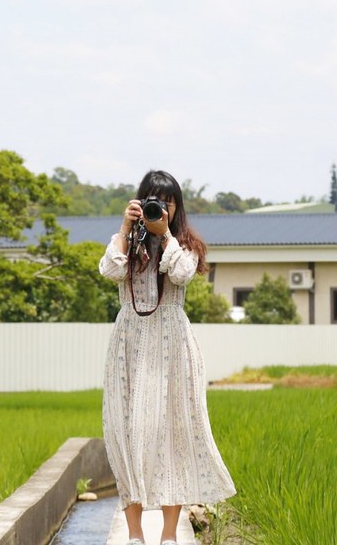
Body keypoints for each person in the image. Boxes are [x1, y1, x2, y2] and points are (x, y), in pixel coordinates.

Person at [99, 169, 236, 545]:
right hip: (129, 343)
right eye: (154, 200)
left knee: (173, 432)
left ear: (177, 206)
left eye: (168, 201)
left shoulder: (186, 244)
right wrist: (126, 232)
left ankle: (170, 537)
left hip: (171, 344)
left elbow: (180, 275)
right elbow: (110, 270)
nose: (162, 207)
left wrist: (166, 237)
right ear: (140, 204)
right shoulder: (128, 241)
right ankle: (135, 536)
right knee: (124, 432)